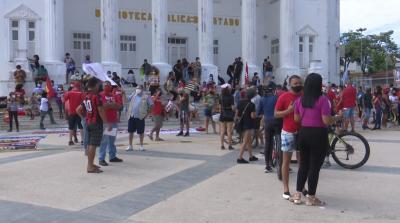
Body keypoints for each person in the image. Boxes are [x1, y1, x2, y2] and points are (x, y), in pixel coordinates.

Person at [292, 73, 332, 206]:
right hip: (318, 135)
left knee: (303, 165)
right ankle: (311, 197)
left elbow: (297, 119)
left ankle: (297, 195)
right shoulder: (323, 100)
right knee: (314, 168)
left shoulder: (299, 101)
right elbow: (326, 121)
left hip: (303, 133)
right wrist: (336, 118)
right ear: (319, 85)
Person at [274, 75, 303, 200]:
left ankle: (301, 188)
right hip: (288, 132)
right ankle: (286, 188)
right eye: (295, 83)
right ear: (290, 84)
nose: (298, 85)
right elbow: (276, 114)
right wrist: (289, 110)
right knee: (286, 161)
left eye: (299, 83)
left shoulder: (304, 96)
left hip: (302, 132)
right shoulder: (283, 97)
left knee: (302, 162)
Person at [76, 78, 104, 173]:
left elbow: (78, 109)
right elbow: (100, 110)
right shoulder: (96, 96)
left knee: (90, 144)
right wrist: (106, 122)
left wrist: (85, 118)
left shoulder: (87, 96)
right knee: (93, 145)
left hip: (89, 122)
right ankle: (90, 166)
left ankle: (90, 163)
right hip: (96, 122)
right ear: (96, 85)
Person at [98, 81, 123, 166]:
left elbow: (119, 106)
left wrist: (110, 105)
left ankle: (112, 156)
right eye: (105, 85)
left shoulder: (114, 95)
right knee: (104, 141)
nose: (107, 87)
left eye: (108, 85)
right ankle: (101, 158)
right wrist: (111, 105)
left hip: (113, 120)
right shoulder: (100, 95)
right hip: (105, 121)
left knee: (112, 140)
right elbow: (102, 107)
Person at [258, 82, 279, 173]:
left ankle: (267, 165)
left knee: (268, 143)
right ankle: (282, 162)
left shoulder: (262, 99)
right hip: (277, 122)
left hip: (267, 123)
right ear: (274, 90)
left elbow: (259, 112)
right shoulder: (277, 98)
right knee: (280, 141)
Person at [126, 85, 153, 151]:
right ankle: (130, 145)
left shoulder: (146, 96)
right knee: (130, 131)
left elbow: (151, 105)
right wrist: (123, 93)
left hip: (140, 117)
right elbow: (126, 100)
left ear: (142, 89)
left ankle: (141, 146)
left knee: (141, 132)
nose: (138, 89)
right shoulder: (133, 95)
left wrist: (147, 113)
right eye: (137, 88)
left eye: (139, 88)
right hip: (131, 116)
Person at [236, 88, 259, 163]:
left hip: (241, 124)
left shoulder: (240, 102)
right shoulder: (251, 104)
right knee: (245, 141)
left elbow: (238, 114)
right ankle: (240, 157)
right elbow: (253, 116)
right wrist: (256, 115)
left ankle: (251, 156)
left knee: (248, 141)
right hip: (248, 124)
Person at [219, 84, 235, 150]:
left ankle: (222, 145)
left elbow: (219, 107)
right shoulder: (231, 97)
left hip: (223, 114)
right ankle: (230, 145)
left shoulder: (221, 96)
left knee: (222, 131)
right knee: (229, 131)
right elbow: (233, 108)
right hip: (229, 114)